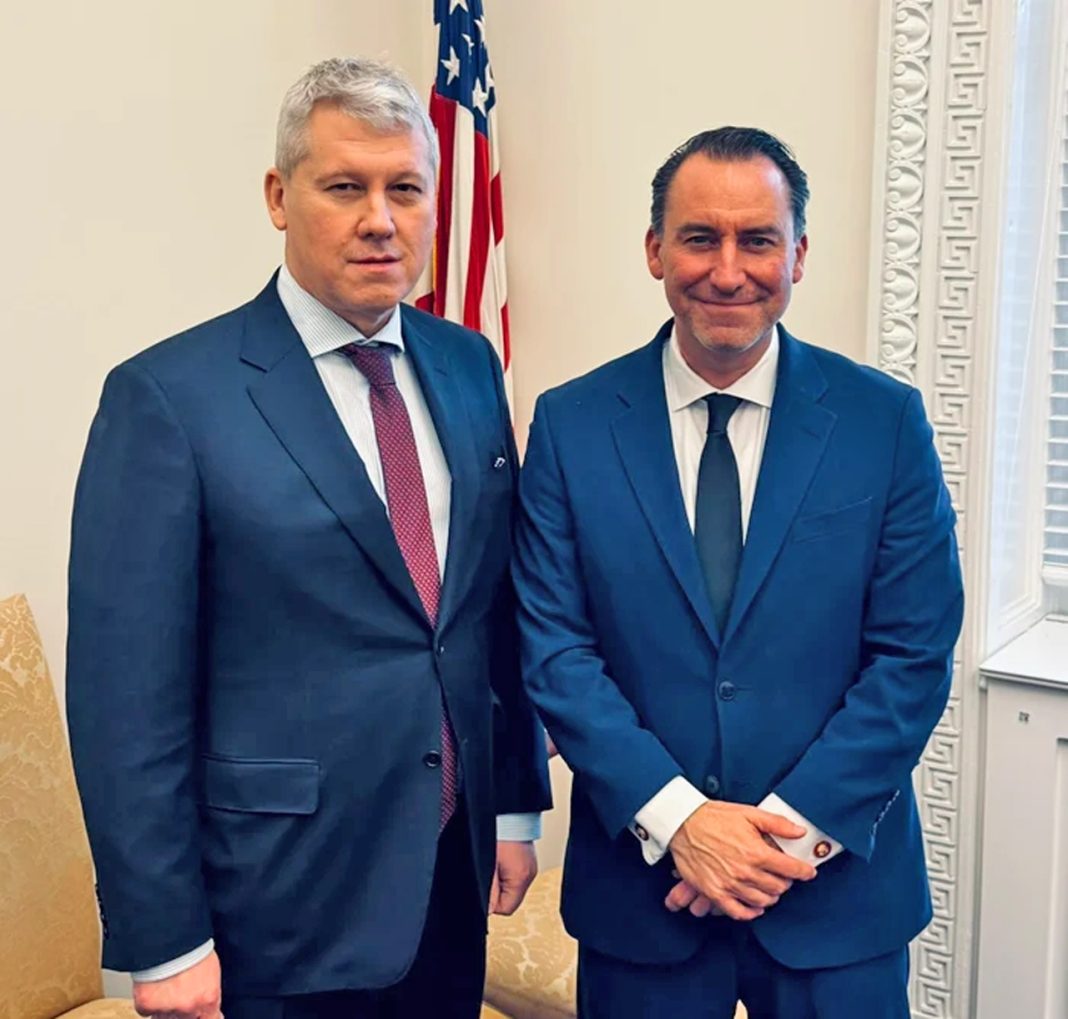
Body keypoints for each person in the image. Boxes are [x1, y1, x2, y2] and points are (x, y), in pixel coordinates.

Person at [66, 56, 550, 1019]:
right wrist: (163, 939)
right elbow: (125, 701)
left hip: (447, 876)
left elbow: (491, 607)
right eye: (344, 187)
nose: (380, 219)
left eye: (405, 188)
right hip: (275, 905)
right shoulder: (169, 397)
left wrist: (513, 802)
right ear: (279, 197)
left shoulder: (466, 365)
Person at [512, 126, 963, 1019]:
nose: (728, 271)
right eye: (699, 238)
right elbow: (555, 651)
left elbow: (913, 655)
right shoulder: (570, 425)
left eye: (757, 239)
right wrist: (680, 820)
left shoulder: (883, 422)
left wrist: (777, 845)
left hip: (837, 905)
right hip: (643, 904)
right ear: (655, 250)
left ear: (798, 254)